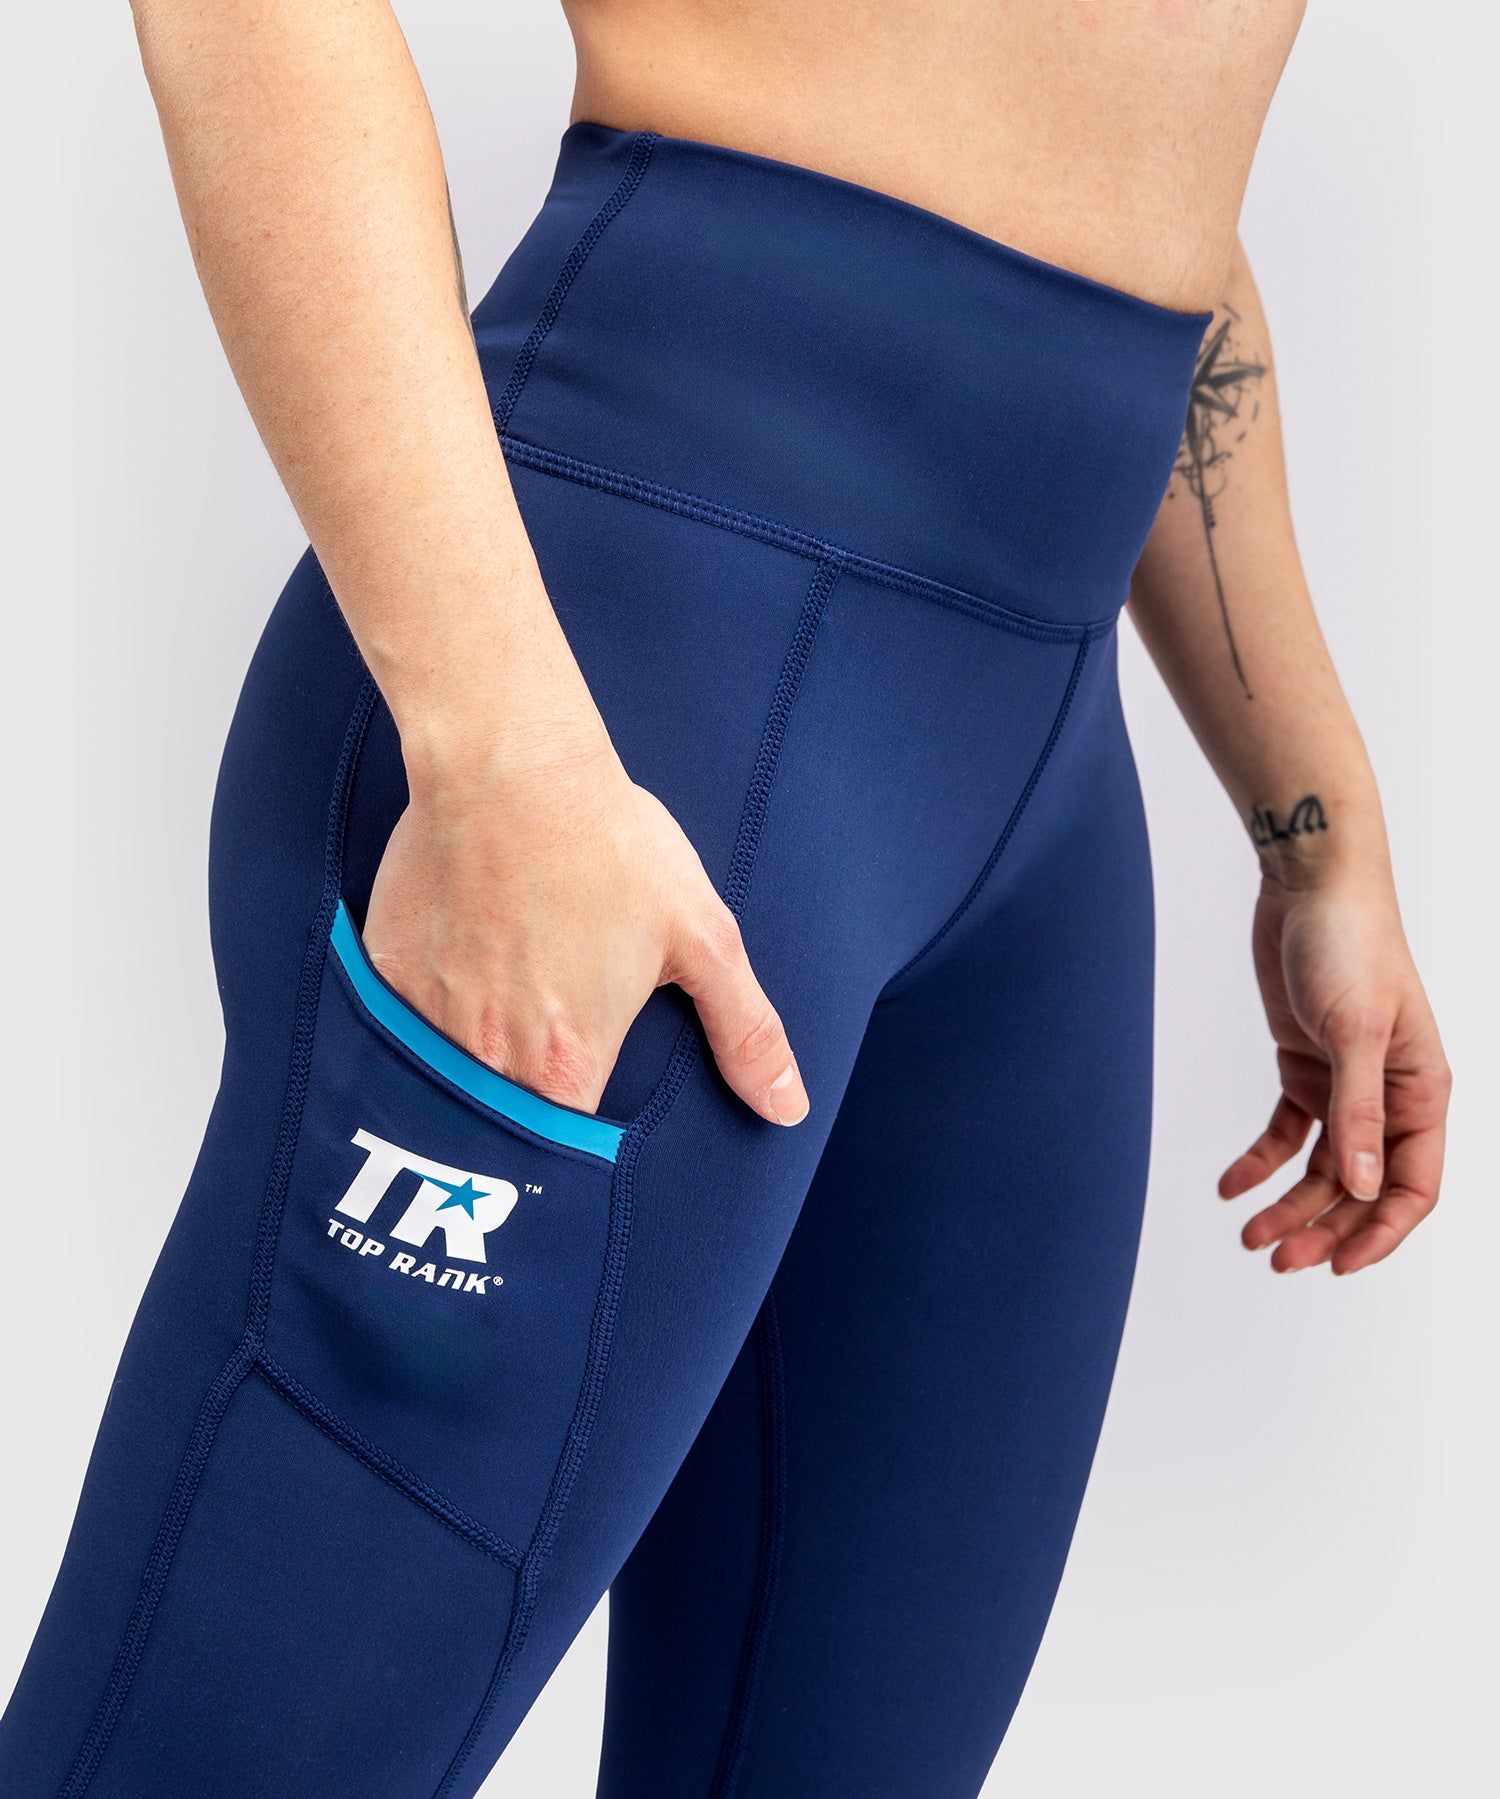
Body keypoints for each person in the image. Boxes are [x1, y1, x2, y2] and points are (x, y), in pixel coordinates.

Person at [0, 2, 1450, 1795]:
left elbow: (1119, 147)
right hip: (628, 691)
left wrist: (1321, 829)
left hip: (1030, 806)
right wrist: (499, 747)